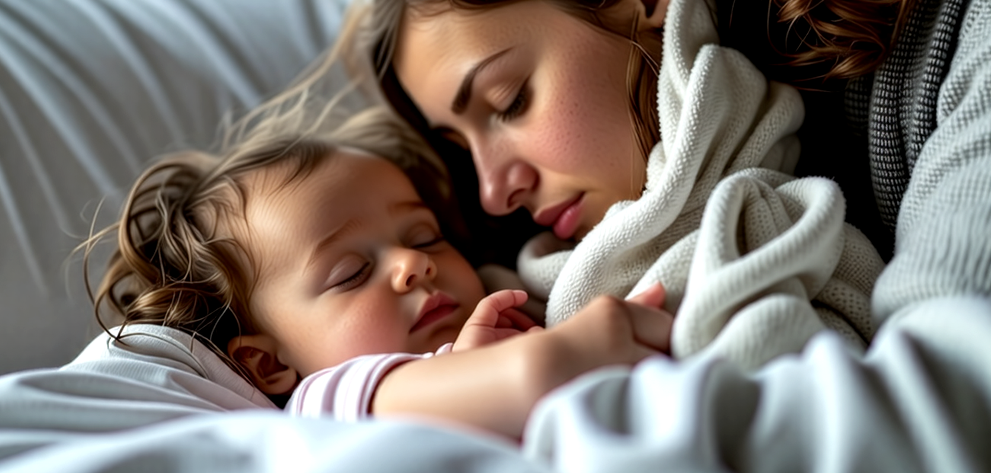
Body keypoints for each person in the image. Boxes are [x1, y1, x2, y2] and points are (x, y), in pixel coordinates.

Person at [349, 0, 991, 468]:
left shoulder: (974, 23)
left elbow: (949, 405)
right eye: (461, 148)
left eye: (510, 100)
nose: (495, 191)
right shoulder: (517, 291)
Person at [83, 105, 672, 441]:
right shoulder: (327, 402)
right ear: (269, 363)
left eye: (425, 237)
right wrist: (573, 347)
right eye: (350, 273)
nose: (413, 265)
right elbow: (534, 377)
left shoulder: (513, 293)